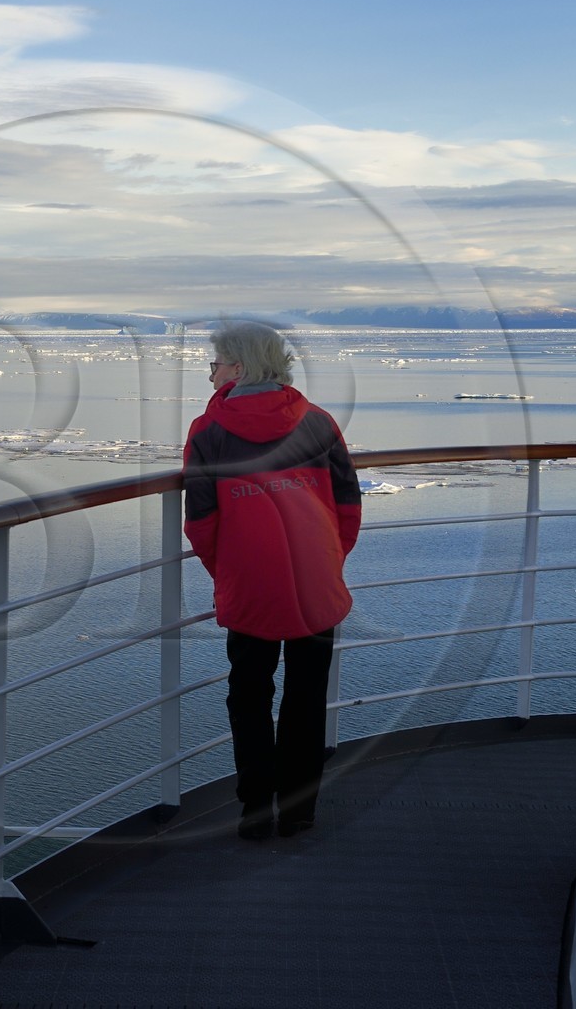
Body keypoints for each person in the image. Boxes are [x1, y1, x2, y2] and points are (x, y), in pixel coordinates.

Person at [182, 322, 361, 840]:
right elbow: (348, 504)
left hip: (251, 583)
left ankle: (256, 811)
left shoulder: (208, 430)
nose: (210, 373)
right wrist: (328, 560)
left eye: (214, 363)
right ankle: (300, 813)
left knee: (249, 695)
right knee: (306, 698)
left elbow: (201, 521)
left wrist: (231, 573)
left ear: (239, 367)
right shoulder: (319, 422)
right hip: (316, 583)